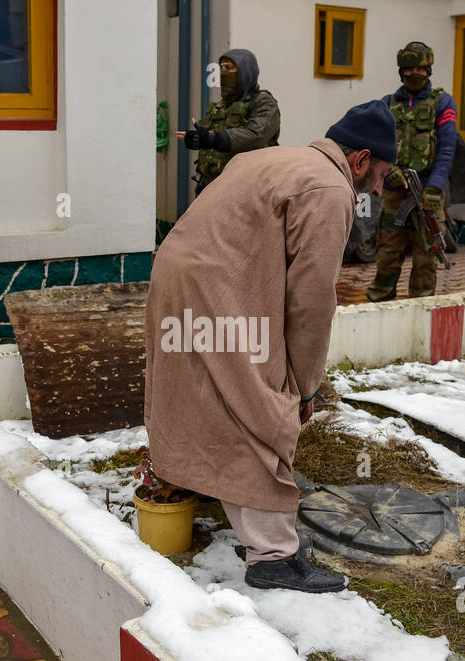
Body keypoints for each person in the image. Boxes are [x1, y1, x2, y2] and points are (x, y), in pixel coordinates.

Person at [145, 100, 396, 593]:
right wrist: (303, 388)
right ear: (361, 159)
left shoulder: (267, 157)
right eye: (382, 173)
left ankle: (188, 478)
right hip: (218, 289)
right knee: (259, 403)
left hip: (174, 276)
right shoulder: (329, 189)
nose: (380, 188)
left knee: (196, 389)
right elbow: (311, 302)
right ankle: (272, 556)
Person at [366, 41, 458, 301]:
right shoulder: (387, 104)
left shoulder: (442, 103)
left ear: (429, 70)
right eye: (408, 69)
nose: (414, 74)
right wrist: (388, 171)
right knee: (387, 254)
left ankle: (422, 306)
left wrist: (434, 187)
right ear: (400, 71)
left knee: (426, 257)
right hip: (395, 194)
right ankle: (379, 303)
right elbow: (375, 146)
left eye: (420, 68)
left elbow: (447, 149)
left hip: (427, 194)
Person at [180, 48, 280, 197]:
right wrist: (197, 139)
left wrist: (212, 139)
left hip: (245, 188)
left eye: (230, 68)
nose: (223, 72)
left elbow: (256, 134)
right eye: (221, 68)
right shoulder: (219, 106)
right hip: (210, 186)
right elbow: (209, 138)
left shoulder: (263, 102)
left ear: (245, 71)